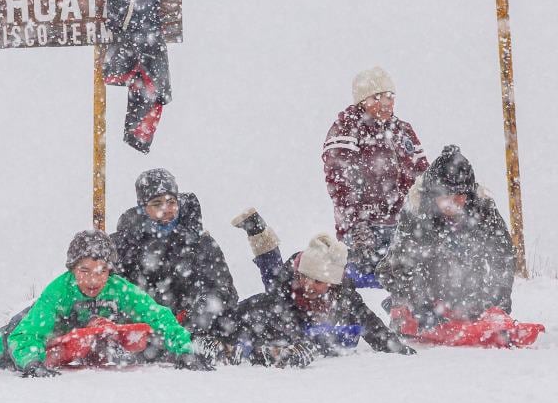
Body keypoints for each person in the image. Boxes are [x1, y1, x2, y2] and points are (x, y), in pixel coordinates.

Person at [0, 229, 216, 375]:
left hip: (76, 335)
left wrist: (185, 351)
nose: (93, 280)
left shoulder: (119, 289)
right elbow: (27, 333)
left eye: (101, 271)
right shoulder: (58, 291)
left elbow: (157, 315)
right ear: (72, 269)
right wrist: (31, 363)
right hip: (30, 328)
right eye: (84, 270)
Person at [218, 223, 414, 365]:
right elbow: (278, 310)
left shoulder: (343, 292)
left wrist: (394, 346)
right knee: (259, 307)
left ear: (332, 284)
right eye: (305, 277)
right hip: (288, 328)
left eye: (318, 282)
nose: (309, 285)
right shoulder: (288, 284)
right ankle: (227, 343)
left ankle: (274, 349)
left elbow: (368, 321)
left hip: (324, 334)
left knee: (339, 334)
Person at [376, 145, 517, 329]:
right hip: (420, 282)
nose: (455, 202)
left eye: (460, 195)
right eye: (447, 196)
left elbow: (503, 255)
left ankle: (460, 309)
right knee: (404, 281)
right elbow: (401, 265)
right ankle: (402, 309)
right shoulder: (416, 212)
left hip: (463, 285)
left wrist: (499, 298)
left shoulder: (483, 210)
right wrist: (419, 305)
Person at [321, 66, 429, 277]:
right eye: (378, 96)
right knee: (369, 285)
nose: (387, 102)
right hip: (366, 228)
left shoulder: (403, 131)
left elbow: (424, 177)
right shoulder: (347, 129)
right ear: (362, 101)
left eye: (390, 95)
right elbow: (339, 182)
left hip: (404, 226)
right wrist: (355, 226)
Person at [111, 168, 238, 336]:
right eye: (157, 203)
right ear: (143, 207)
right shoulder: (124, 243)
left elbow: (222, 289)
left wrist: (191, 325)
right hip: (138, 334)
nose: (167, 209)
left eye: (171, 201)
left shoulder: (200, 243)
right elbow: (110, 288)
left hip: (191, 330)